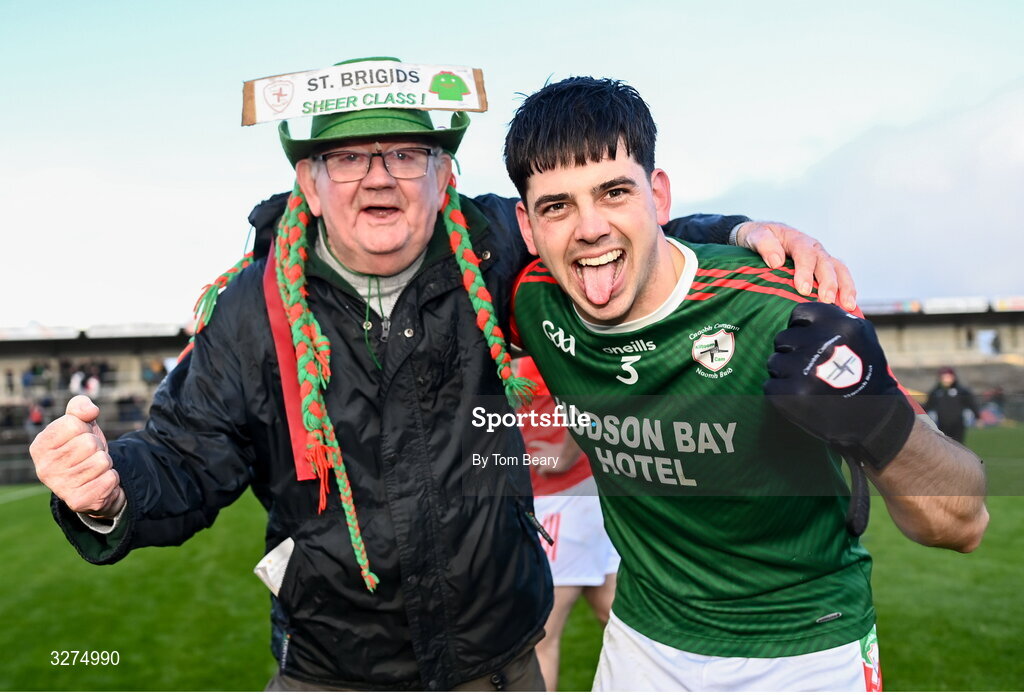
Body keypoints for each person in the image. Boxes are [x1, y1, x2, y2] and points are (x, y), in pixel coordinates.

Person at [29, 56, 856, 691]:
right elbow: (183, 456)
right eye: (348, 157)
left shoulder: (493, 244)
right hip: (331, 670)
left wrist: (745, 232)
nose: (379, 175)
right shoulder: (254, 309)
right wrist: (107, 489)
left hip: (499, 661)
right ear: (309, 184)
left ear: (445, 175)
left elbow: (611, 234)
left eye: (405, 152)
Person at [504, 76, 989, 691]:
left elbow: (960, 523)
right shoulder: (533, 302)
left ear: (659, 196)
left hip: (806, 644)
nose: (589, 227)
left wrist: (877, 419)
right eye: (557, 206)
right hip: (642, 643)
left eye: (614, 192)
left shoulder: (784, 305)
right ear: (526, 225)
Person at [514, 357, 618, 691]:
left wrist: (562, 455)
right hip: (576, 495)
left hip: (564, 499)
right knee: (614, 615)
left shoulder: (546, 333)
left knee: (541, 637)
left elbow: (591, 397)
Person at [925, 367, 979, 443]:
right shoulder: (935, 392)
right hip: (942, 423)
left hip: (958, 423)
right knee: (944, 444)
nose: (946, 380)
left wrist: (978, 417)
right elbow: (928, 406)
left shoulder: (961, 391)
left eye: (948, 377)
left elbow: (971, 404)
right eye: (943, 377)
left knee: (958, 444)